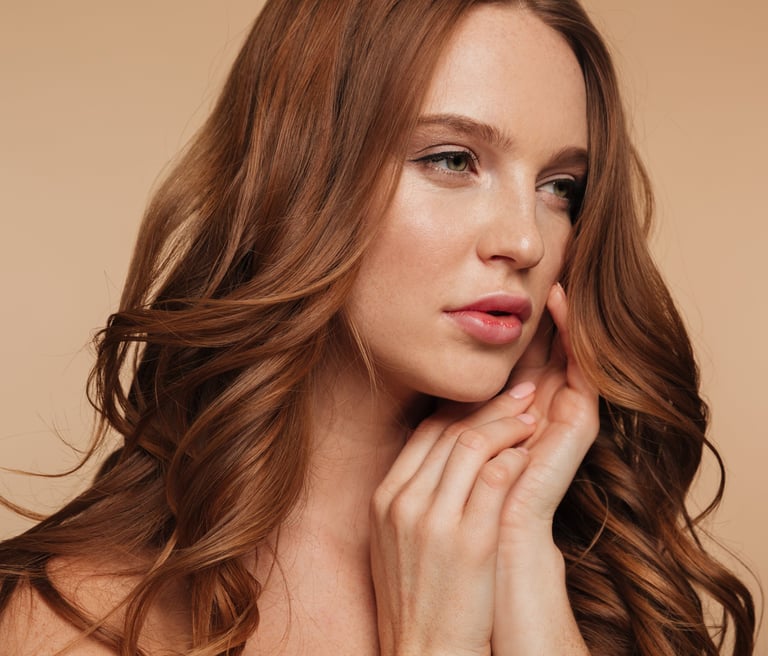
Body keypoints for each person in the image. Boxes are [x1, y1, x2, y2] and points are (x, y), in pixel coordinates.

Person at [0, 0, 757, 654]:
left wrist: (526, 560)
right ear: (303, 174)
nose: (526, 240)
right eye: (454, 160)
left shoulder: (597, 571)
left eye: (560, 187)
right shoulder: (81, 615)